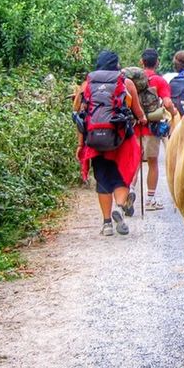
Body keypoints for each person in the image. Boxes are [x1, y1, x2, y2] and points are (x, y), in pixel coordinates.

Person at [74, 50, 147, 236]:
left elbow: (80, 117)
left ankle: (107, 223)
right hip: (120, 139)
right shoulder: (125, 82)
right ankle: (121, 206)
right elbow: (138, 112)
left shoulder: (87, 84)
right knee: (121, 175)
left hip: (95, 140)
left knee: (102, 179)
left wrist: (80, 145)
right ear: (116, 64)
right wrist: (142, 119)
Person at [135, 49, 177, 210]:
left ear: (141, 62)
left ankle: (129, 192)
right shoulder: (159, 81)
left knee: (134, 162)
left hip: (134, 127)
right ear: (157, 62)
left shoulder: (131, 81)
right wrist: (174, 114)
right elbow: (167, 103)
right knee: (153, 163)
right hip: (152, 128)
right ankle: (150, 200)